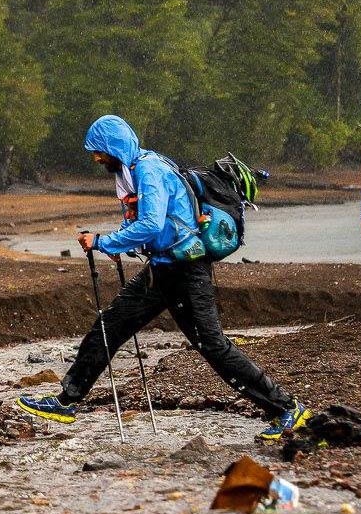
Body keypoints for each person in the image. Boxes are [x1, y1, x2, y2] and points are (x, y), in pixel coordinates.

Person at [17, 115, 310, 442]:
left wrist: (102, 242)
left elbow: (152, 224)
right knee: (110, 325)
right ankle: (66, 401)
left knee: (213, 345)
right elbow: (146, 225)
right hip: (161, 269)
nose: (96, 158)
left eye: (99, 151)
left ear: (115, 147)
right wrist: (122, 244)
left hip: (187, 271)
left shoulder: (149, 170)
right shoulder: (132, 172)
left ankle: (286, 408)